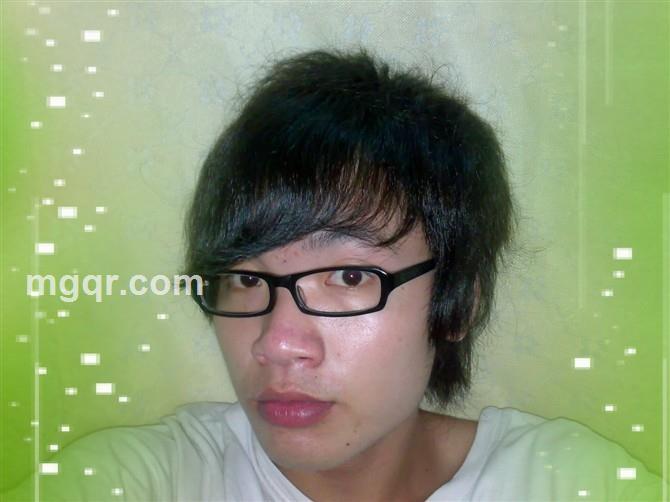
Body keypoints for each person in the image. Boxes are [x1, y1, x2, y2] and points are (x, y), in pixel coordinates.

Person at [5, 49, 661, 501]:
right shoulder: (154, 477)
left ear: (458, 305)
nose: (276, 344)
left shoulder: (563, 480)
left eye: (347, 276)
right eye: (245, 279)